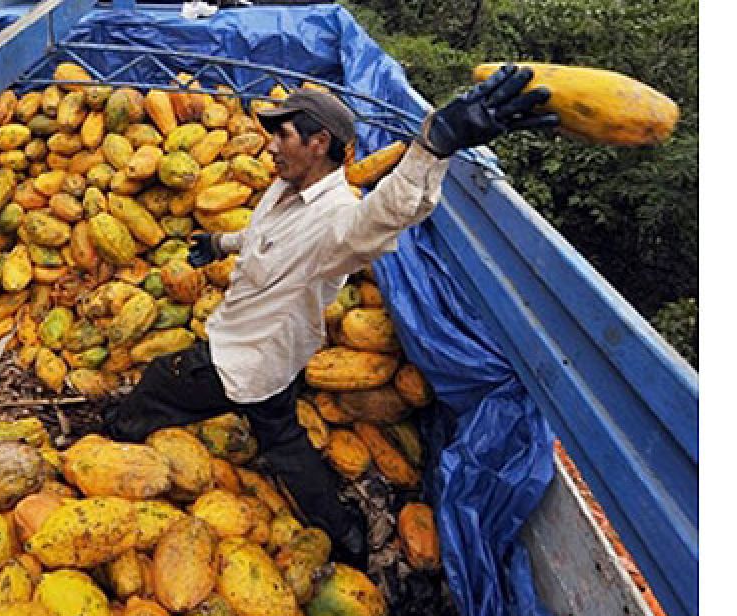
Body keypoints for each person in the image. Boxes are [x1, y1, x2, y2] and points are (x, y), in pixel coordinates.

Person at [104, 64, 557, 564]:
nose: (271, 146)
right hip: (277, 361)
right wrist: (219, 242)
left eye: (284, 135)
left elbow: (384, 214)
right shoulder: (288, 187)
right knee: (283, 439)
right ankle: (346, 533)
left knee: (157, 383)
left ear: (319, 142)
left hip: (240, 357)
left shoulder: (337, 217)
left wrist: (434, 146)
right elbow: (263, 239)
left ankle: (111, 438)